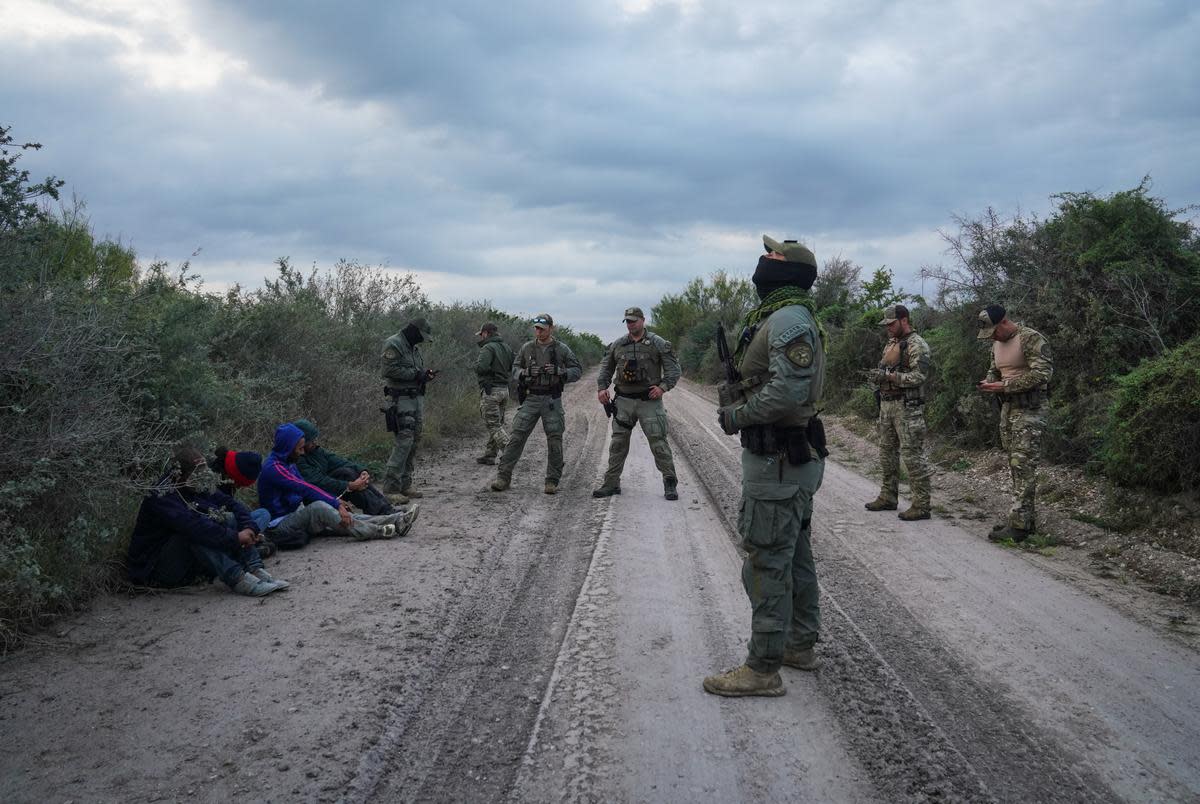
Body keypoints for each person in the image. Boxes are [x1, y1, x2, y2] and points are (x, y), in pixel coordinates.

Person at [703, 235, 829, 698]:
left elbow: (789, 393)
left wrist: (736, 416)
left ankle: (762, 668)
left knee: (767, 562)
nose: (763, 260)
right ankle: (798, 645)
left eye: (772, 255)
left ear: (789, 270)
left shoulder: (790, 319)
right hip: (786, 459)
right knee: (794, 555)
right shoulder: (784, 316)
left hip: (779, 460)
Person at [126, 446, 289, 596]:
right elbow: (195, 527)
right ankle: (237, 578)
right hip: (157, 569)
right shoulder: (161, 496)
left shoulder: (194, 484)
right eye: (196, 475)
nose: (200, 479)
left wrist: (249, 528)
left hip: (189, 561)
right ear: (178, 474)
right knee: (198, 531)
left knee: (232, 518)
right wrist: (236, 538)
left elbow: (231, 503)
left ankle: (255, 569)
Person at [257, 423, 417, 549]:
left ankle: (396, 520)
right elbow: (305, 487)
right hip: (279, 524)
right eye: (299, 448)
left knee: (345, 516)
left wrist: (337, 501)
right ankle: (377, 532)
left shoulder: (289, 462)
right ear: (289, 447)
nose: (302, 452)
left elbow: (335, 465)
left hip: (295, 514)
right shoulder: (274, 468)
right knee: (320, 507)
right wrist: (336, 502)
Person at [976, 304, 1053, 543]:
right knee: (1015, 464)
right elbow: (995, 371)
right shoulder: (996, 344)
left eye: (993, 332)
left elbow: (1042, 374)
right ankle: (1022, 520)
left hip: (1030, 409)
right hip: (1008, 409)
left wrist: (1005, 386)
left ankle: (1020, 526)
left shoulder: (1030, 338)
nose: (993, 338)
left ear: (1004, 323)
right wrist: (989, 382)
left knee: (1023, 465)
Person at [594, 306, 682, 500]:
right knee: (617, 443)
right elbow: (605, 370)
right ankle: (611, 483)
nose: (630, 324)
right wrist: (602, 388)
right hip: (623, 401)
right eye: (628, 321)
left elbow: (674, 371)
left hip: (649, 401)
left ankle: (669, 482)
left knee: (658, 442)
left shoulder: (658, 344)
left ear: (643, 320)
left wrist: (662, 387)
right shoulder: (618, 345)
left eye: (634, 320)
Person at [490, 314, 582, 495]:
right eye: (536, 328)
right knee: (516, 436)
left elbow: (577, 371)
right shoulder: (527, 348)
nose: (538, 331)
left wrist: (560, 372)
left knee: (554, 439)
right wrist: (524, 373)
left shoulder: (561, 349)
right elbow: (514, 369)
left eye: (542, 328)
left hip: (551, 400)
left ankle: (552, 480)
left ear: (551, 328)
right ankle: (503, 477)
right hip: (531, 397)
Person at [864, 304, 933, 520]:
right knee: (886, 452)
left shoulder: (917, 345)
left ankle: (921, 505)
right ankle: (888, 496)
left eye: (891, 324)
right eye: (886, 324)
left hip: (907, 407)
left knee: (912, 455)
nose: (888, 328)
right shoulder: (891, 344)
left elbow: (919, 376)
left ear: (904, 320)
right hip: (887, 405)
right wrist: (879, 376)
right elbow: (887, 369)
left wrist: (892, 378)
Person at [381, 317, 437, 502]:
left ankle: (405, 484)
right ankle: (390, 488)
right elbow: (389, 371)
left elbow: (414, 370)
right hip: (401, 400)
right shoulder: (394, 344)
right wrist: (416, 374)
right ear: (413, 330)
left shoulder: (414, 348)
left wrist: (424, 375)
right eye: (421, 336)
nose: (422, 340)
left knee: (414, 441)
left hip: (416, 399)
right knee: (404, 441)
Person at [293, 419, 396, 516]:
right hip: (315, 496)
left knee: (349, 472)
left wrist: (362, 472)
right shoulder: (298, 460)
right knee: (346, 474)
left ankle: (386, 508)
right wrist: (350, 485)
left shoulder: (317, 452)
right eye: (310, 441)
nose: (314, 443)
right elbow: (319, 482)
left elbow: (341, 462)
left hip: (329, 490)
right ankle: (382, 511)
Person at [474, 322, 515, 465]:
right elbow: (512, 366)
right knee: (497, 423)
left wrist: (476, 366)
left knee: (493, 425)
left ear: (486, 333)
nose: (481, 337)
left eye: (482, 334)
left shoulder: (488, 347)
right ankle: (490, 455)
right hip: (504, 390)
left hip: (492, 390)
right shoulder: (506, 347)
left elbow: (481, 367)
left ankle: (510, 453)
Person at [208, 447, 272, 535]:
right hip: (216, 522)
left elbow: (235, 507)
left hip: (232, 523)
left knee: (264, 514)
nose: (239, 487)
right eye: (239, 484)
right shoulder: (211, 479)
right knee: (231, 517)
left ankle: (251, 538)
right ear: (232, 477)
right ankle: (249, 540)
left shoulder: (227, 480)